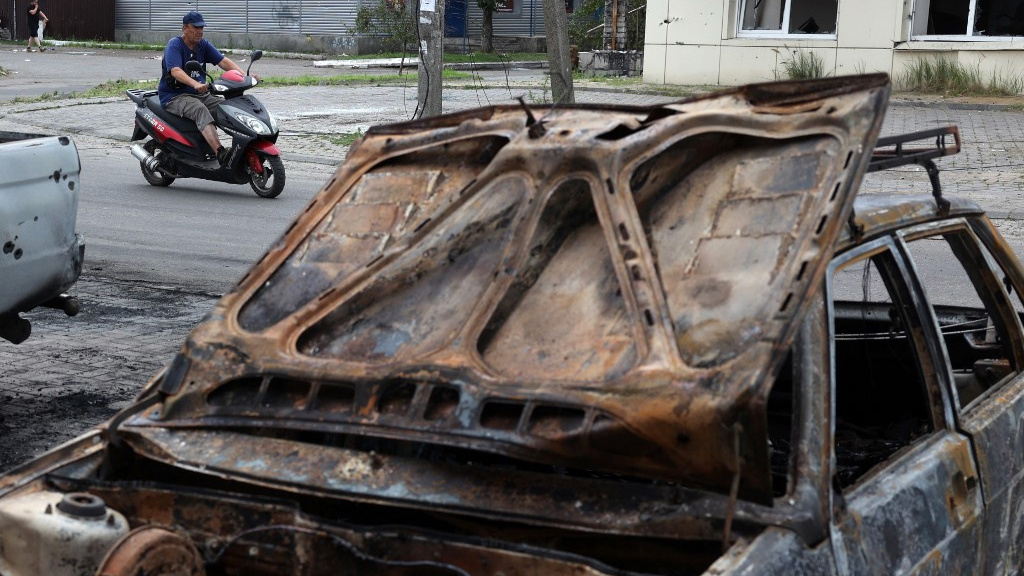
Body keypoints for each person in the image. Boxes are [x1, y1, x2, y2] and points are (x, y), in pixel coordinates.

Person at [158, 11, 247, 166]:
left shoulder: (203, 45)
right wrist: (195, 84)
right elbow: (175, 71)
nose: (200, 31)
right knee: (200, 110)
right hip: (175, 96)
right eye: (196, 27)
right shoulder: (175, 44)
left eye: (202, 27)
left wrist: (244, 76)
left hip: (200, 94)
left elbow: (223, 61)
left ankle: (242, 148)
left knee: (226, 108)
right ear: (185, 28)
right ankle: (220, 153)